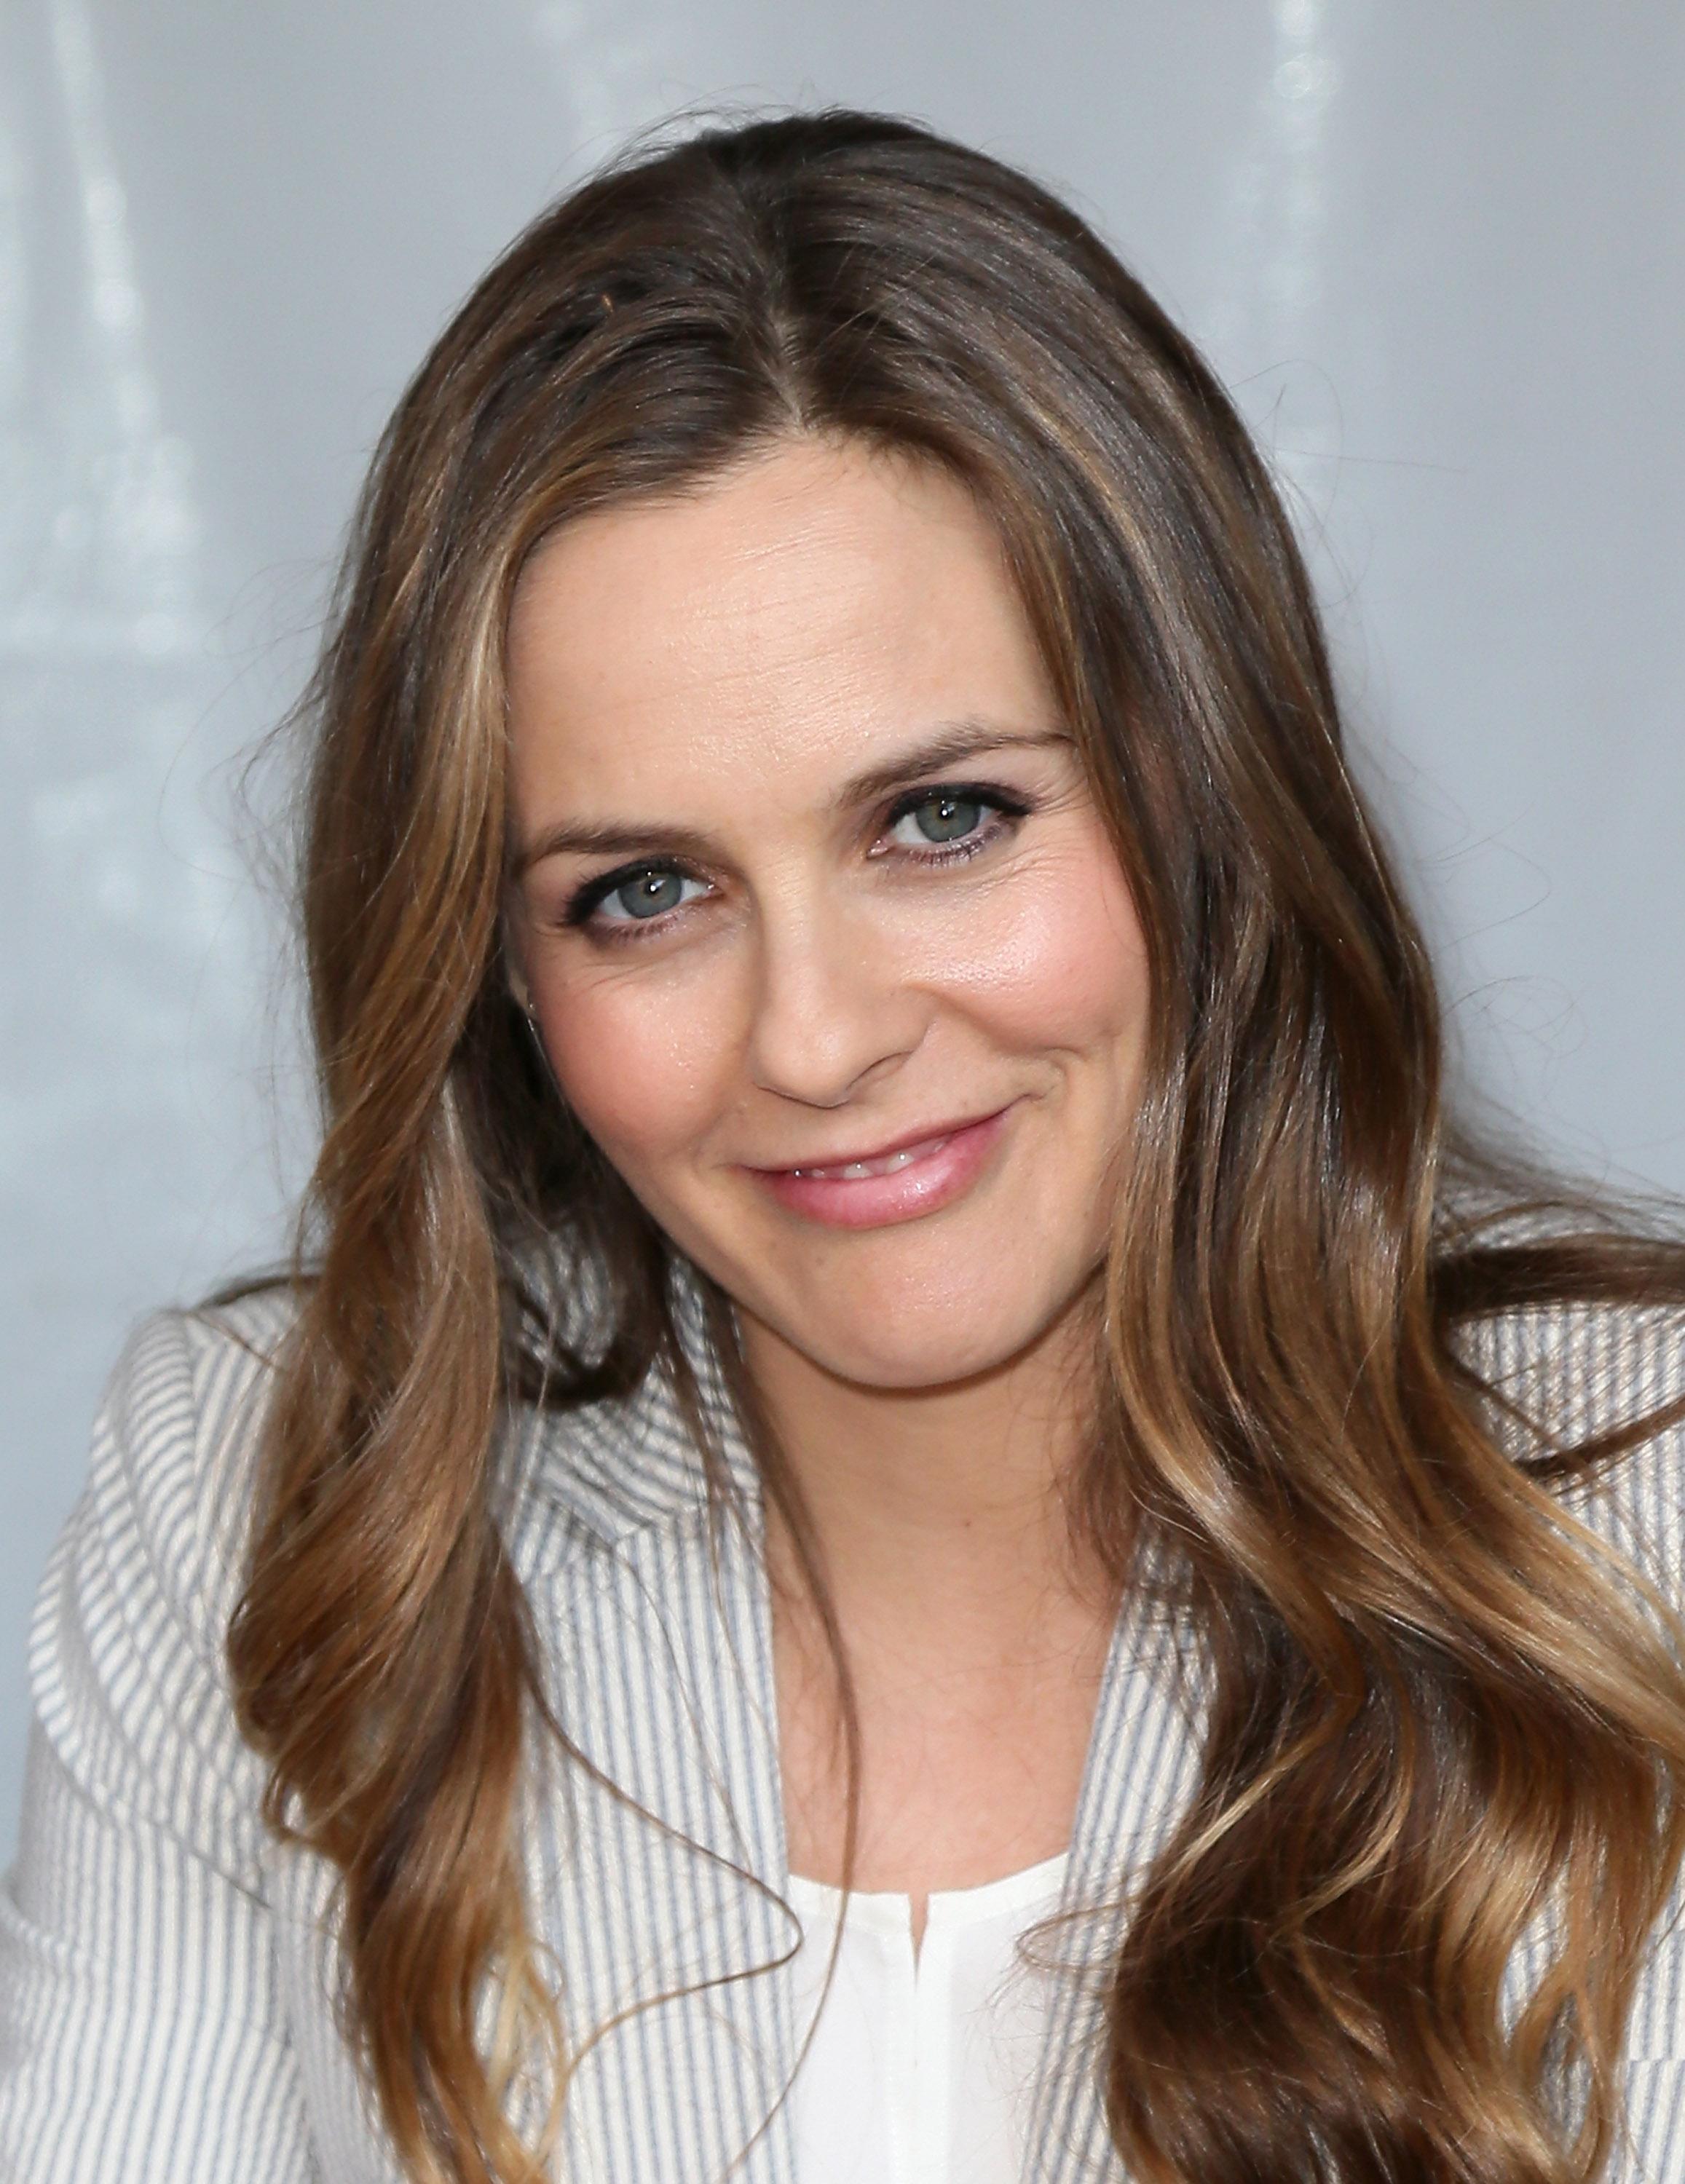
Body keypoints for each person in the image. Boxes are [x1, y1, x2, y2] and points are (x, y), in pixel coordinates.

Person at [3, 107, 1684, 2184]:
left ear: (1207, 799)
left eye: (944, 819)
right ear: (495, 968)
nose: (813, 1038)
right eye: (642, 892)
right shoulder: (266, 1503)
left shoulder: (1648, 1526)